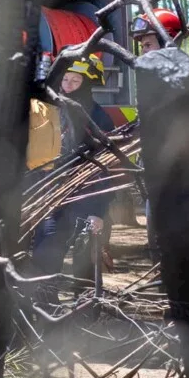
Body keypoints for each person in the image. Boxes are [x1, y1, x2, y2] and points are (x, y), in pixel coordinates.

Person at [31, 54, 115, 279]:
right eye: (65, 80)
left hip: (85, 201)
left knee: (84, 261)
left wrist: (97, 212)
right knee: (45, 252)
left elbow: (106, 169)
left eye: (75, 81)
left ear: (87, 84)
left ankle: (85, 308)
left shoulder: (99, 119)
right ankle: (44, 304)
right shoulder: (50, 112)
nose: (68, 86)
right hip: (52, 199)